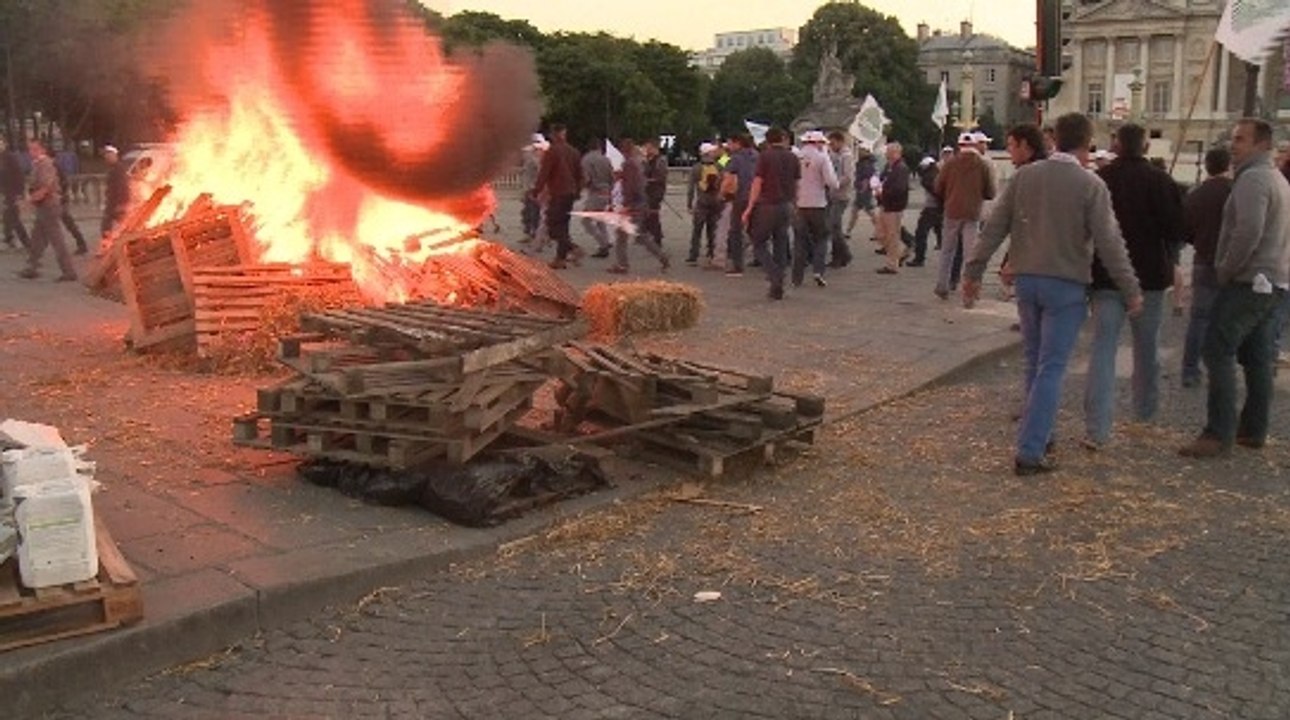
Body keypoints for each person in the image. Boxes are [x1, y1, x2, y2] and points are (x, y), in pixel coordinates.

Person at [963, 112, 1143, 476]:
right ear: (1087, 143)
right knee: (1052, 366)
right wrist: (1130, 288)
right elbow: (1110, 243)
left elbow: (995, 226)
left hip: (1028, 278)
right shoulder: (1090, 184)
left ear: (1054, 139)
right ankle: (1030, 449)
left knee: (1034, 361)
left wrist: (973, 270)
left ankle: (1042, 433)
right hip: (1066, 281)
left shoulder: (1026, 176)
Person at [1179, 119, 1290, 459]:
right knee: (1257, 356)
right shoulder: (1276, 178)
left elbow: (1248, 231)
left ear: (1261, 144)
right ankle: (1253, 428)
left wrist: (1225, 268)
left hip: (1249, 278)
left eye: (1241, 139)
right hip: (1272, 278)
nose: (1233, 145)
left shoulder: (1253, 179)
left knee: (1217, 348)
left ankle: (1218, 432)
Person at [1081, 124, 1184, 450]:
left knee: (1103, 348)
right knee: (1147, 347)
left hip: (1106, 275)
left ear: (1117, 145)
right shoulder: (1161, 181)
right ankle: (1145, 414)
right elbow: (1177, 229)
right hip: (1150, 276)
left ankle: (1097, 427)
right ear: (1146, 146)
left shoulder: (1101, 179)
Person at [1180, 147, 1233, 389]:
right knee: (1227, 320)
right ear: (1228, 165)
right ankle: (1221, 370)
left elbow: (1185, 230)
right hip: (1231, 263)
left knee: (1199, 319)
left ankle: (1190, 370)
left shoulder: (1196, 194)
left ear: (1207, 166)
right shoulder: (1235, 191)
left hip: (1203, 260)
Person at [740, 127, 800, 300]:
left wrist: (749, 207)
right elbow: (797, 184)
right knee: (781, 242)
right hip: (786, 204)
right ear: (783, 138)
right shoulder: (793, 157)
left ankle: (774, 274)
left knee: (758, 242)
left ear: (767, 140)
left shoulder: (765, 156)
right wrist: (795, 203)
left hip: (767, 204)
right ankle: (778, 283)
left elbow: (758, 182)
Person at [933, 132, 996, 296]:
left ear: (959, 145)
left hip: (952, 210)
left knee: (947, 250)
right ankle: (969, 288)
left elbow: (938, 187)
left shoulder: (950, 164)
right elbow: (990, 192)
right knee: (970, 253)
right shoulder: (982, 165)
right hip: (972, 211)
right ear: (974, 145)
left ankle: (942, 285)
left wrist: (949, 195)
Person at [607, 138, 669, 275]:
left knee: (622, 235)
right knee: (640, 235)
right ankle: (662, 257)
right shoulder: (639, 163)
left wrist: (626, 204)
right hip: (641, 202)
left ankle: (622, 265)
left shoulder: (630, 164)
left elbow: (630, 186)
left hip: (634, 205)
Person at [18, 139, 76, 281]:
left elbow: (46, 187)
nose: (31, 152)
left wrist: (29, 201)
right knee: (37, 238)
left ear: (43, 150)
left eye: (35, 149)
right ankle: (31, 267)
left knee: (57, 240)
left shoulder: (45, 164)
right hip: (43, 206)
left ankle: (69, 271)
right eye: (30, 149)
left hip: (49, 206)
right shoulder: (38, 164)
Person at [532, 124, 584, 269]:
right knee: (563, 226)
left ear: (554, 135)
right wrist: (577, 192)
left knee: (552, 224)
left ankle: (573, 248)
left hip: (559, 193)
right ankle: (560, 259)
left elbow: (544, 173)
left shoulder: (552, 151)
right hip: (570, 194)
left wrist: (536, 190)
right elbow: (580, 175)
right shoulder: (574, 152)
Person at [792, 130, 839, 287]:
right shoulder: (822, 157)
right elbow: (832, 182)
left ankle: (797, 276)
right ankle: (818, 270)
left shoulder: (796, 157)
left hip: (800, 203)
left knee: (800, 240)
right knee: (821, 238)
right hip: (818, 203)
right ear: (818, 143)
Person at [723, 133, 758, 277]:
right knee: (756, 229)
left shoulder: (734, 158)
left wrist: (722, 193)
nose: (728, 146)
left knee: (736, 230)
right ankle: (761, 257)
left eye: (730, 143)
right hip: (757, 196)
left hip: (741, 196)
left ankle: (737, 265)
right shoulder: (757, 155)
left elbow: (726, 174)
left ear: (738, 143)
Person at [686, 142, 725, 265]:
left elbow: (691, 188)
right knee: (713, 229)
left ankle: (693, 255)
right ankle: (712, 253)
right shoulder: (719, 166)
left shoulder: (696, 168)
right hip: (716, 202)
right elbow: (727, 158)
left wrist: (689, 203)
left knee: (697, 230)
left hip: (702, 202)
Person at [874, 143, 910, 275]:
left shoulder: (901, 168)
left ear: (898, 153)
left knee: (892, 235)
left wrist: (883, 192)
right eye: (887, 151)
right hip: (885, 204)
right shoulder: (889, 166)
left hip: (894, 206)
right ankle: (900, 252)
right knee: (880, 234)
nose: (887, 154)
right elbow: (882, 179)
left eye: (890, 152)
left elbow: (899, 188)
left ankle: (892, 265)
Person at [580, 137, 614, 258]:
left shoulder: (586, 159)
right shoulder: (606, 159)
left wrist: (581, 187)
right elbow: (612, 177)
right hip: (606, 191)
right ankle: (606, 240)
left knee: (586, 221)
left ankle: (603, 243)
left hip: (595, 191)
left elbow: (586, 178)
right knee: (600, 219)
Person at [825, 130, 854, 268]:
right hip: (833, 194)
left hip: (841, 195)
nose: (831, 146)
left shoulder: (846, 156)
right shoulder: (835, 155)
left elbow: (847, 176)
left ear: (840, 141)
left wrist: (835, 183)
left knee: (833, 226)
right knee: (835, 226)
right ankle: (840, 256)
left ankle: (844, 254)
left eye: (833, 143)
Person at [908, 156, 941, 268]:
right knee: (942, 232)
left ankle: (919, 258)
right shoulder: (938, 174)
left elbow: (935, 192)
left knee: (921, 233)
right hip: (940, 208)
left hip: (932, 208)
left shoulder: (928, 178)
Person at [0, 137, 30, 249]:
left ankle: (26, 242)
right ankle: (9, 238)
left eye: (0, 143)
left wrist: (20, 193)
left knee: (13, 217)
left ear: (5, 144)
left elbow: (19, 175)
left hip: (12, 192)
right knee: (7, 217)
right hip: (4, 192)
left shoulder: (10, 157)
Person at [54, 160, 89, 254]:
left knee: (67, 223)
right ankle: (81, 244)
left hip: (60, 201)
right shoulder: (54, 167)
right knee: (64, 223)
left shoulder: (54, 168)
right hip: (57, 200)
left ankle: (81, 244)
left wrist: (60, 194)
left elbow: (64, 183)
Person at [844, 145, 877, 243]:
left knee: (869, 210)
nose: (859, 152)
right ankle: (848, 231)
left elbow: (866, 178)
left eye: (861, 150)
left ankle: (879, 229)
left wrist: (863, 189)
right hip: (862, 190)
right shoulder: (864, 162)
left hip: (864, 191)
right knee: (855, 211)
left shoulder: (866, 163)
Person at [642, 139, 668, 247]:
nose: (646, 150)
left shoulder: (660, 161)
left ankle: (657, 237)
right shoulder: (648, 160)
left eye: (648, 148)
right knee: (648, 214)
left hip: (656, 191)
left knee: (653, 214)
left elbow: (660, 177)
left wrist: (648, 180)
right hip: (648, 191)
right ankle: (649, 234)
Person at [518, 135, 544, 242]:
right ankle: (528, 233)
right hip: (528, 188)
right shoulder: (529, 157)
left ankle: (537, 234)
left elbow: (540, 173)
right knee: (527, 212)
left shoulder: (539, 158)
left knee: (535, 212)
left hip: (535, 189)